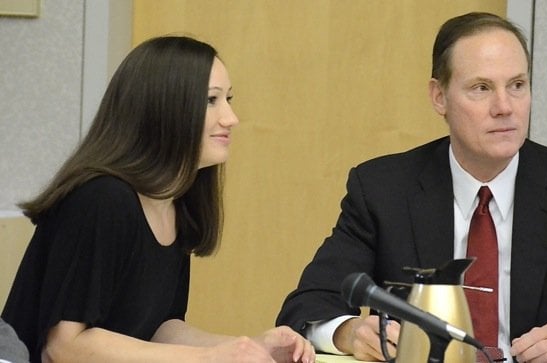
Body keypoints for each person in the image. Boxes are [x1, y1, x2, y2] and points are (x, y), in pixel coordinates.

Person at [276, 12, 547, 363]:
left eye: (517, 85)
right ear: (439, 97)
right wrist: (349, 332)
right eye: (481, 88)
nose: (505, 107)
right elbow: (307, 306)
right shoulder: (384, 190)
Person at [2, 36, 315, 363]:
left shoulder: (175, 201)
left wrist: (250, 346)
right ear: (163, 108)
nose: (230, 117)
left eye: (229, 99)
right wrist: (208, 359)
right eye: (211, 101)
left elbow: (158, 329)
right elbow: (64, 347)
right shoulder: (100, 199)